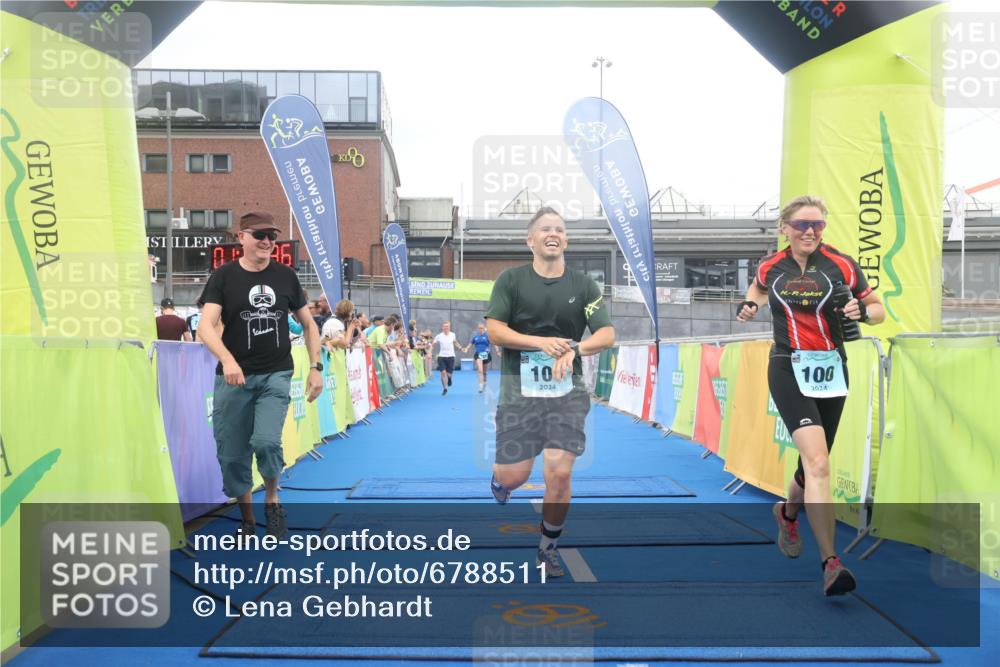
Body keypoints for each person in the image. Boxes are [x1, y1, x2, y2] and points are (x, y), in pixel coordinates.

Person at [737, 194, 885, 596]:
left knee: (813, 465)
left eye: (818, 225)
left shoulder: (841, 264)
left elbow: (877, 308)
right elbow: (757, 286)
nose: (810, 232)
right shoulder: (772, 266)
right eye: (802, 224)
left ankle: (787, 513)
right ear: (785, 227)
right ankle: (831, 563)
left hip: (832, 369)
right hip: (787, 365)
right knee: (818, 462)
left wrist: (862, 312)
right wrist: (750, 304)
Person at [485, 207, 615, 577]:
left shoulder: (584, 286)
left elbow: (606, 334)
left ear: (566, 240)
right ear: (531, 240)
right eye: (544, 229)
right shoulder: (511, 281)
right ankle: (501, 481)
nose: (552, 233)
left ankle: (548, 546)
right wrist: (540, 343)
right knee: (514, 476)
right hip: (518, 393)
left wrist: (576, 348)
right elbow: (496, 331)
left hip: (567, 392)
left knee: (559, 471)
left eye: (559, 229)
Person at [197, 211, 323, 539]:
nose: (267, 241)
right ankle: (248, 520)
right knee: (232, 453)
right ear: (242, 237)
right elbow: (204, 327)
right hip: (234, 378)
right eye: (259, 234)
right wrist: (228, 360)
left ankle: (272, 499)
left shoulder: (286, 276)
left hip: (275, 374)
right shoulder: (223, 277)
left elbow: (309, 325)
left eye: (272, 235)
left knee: (266, 442)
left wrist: (315, 367)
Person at [463, 322, 493, 393]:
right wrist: (467, 348)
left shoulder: (487, 336)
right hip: (478, 354)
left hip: (485, 354)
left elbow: (493, 343)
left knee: (484, 372)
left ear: (484, 328)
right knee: (480, 370)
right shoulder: (475, 337)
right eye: (479, 328)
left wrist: (497, 351)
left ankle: (484, 381)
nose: (480, 329)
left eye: (482, 328)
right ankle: (480, 387)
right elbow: (471, 343)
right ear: (478, 328)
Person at [432, 321, 459, 395]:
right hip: (442, 357)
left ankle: (449, 378)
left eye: (447, 326)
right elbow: (433, 344)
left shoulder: (453, 335)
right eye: (444, 326)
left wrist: (460, 347)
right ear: (442, 327)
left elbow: (455, 342)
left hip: (451, 356)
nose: (446, 328)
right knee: (443, 372)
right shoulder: (439, 336)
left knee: (449, 374)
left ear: (449, 327)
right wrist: (429, 352)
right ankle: (445, 388)